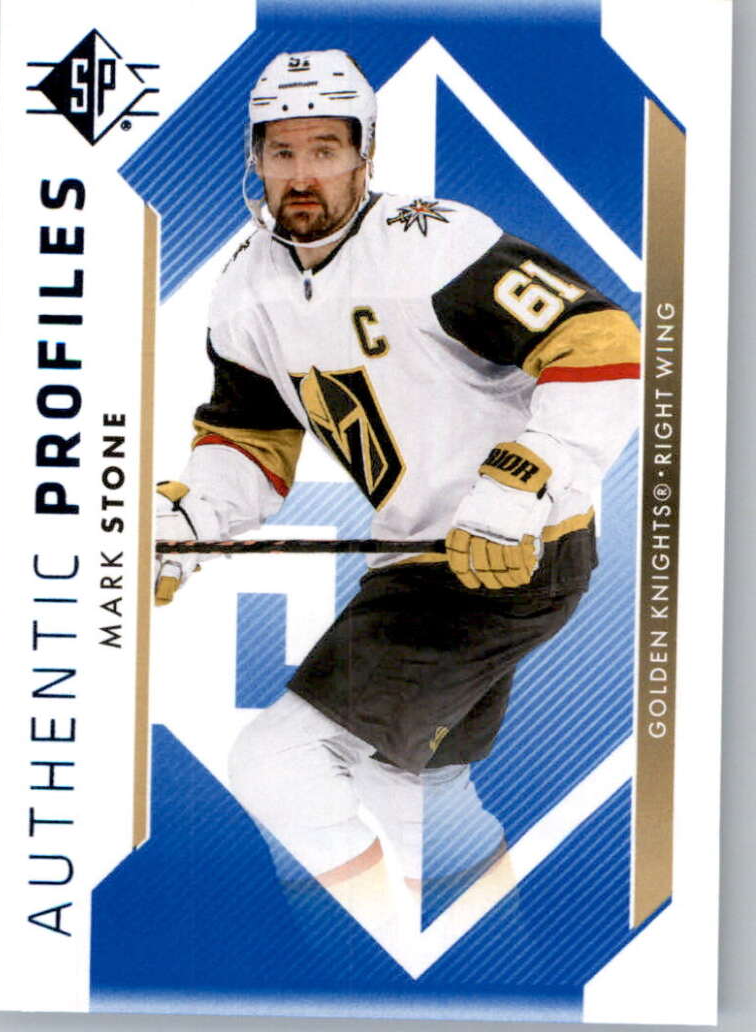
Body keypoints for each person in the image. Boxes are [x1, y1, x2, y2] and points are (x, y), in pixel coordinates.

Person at [154, 49, 640, 944]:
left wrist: (524, 478)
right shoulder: (240, 290)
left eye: (326, 149)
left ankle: (364, 965)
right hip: (417, 556)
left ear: (365, 154)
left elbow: (600, 341)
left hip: (515, 555)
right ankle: (494, 959)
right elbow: (250, 442)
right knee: (416, 785)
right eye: (283, 151)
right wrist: (190, 525)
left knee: (278, 764)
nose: (303, 174)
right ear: (255, 158)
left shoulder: (434, 243)